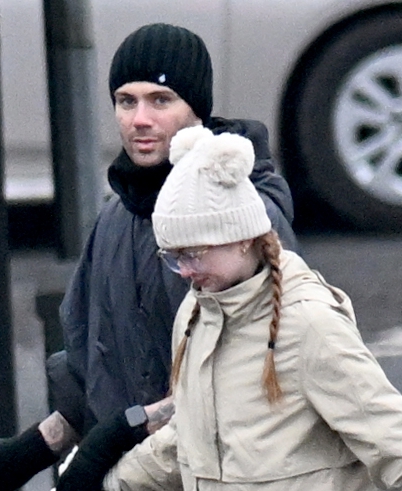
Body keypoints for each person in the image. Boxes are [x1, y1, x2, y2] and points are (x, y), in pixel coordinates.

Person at [0, 23, 298, 491]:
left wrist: (115, 439)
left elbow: (246, 377)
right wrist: (37, 446)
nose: (139, 119)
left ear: (196, 110)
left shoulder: (241, 214)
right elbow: (90, 361)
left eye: (160, 100)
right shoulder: (116, 216)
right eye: (126, 101)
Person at [102, 126, 402, 491]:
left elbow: (389, 438)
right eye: (172, 256)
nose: (183, 271)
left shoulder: (309, 323)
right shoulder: (195, 314)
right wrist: (110, 482)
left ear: (243, 238)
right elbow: (190, 437)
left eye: (193, 253)